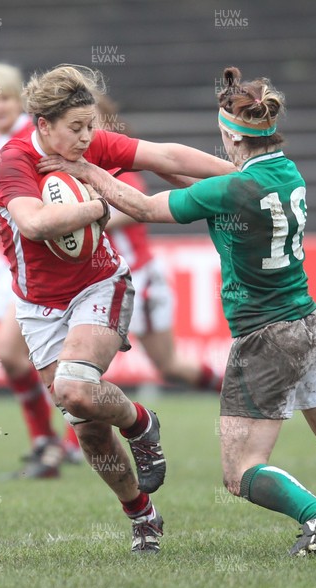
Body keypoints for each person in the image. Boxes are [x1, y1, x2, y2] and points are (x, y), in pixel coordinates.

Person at [53, 66, 316, 557]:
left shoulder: (235, 189)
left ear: (231, 135)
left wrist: (84, 170)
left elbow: (145, 210)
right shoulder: (285, 171)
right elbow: (203, 183)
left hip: (265, 337)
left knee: (240, 471)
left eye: (223, 136)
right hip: (311, 323)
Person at [0, 63, 234, 553]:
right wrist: (99, 204)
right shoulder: (12, 161)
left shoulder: (88, 146)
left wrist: (245, 175)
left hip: (101, 284)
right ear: (44, 127)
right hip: (38, 306)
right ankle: (141, 512)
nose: (88, 137)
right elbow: (35, 225)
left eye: (91, 126)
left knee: (76, 389)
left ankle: (141, 424)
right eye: (76, 128)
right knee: (89, 428)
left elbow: (163, 154)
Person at [0, 61, 82, 479]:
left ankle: (67, 442)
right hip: (19, 265)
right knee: (15, 356)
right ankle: (51, 443)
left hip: (51, 263)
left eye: (6, 97)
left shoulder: (40, 137)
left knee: (33, 356)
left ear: (22, 100)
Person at [97, 96, 223, 393]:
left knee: (169, 365)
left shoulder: (117, 165)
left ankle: (238, 390)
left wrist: (85, 218)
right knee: (82, 366)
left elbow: (138, 207)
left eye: (92, 123)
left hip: (136, 278)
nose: (85, 132)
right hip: (99, 282)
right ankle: (70, 439)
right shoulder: (70, 171)